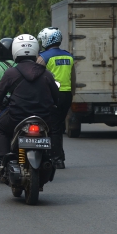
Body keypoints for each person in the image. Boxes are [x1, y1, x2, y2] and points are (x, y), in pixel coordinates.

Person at [0, 34, 59, 161]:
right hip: (43, 118)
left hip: (16, 117)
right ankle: (53, 156)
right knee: (53, 129)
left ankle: (3, 160)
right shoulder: (46, 74)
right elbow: (57, 98)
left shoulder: (11, 73)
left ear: (15, 51)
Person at [37, 27, 75, 169]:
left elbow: (33, 75)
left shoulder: (43, 57)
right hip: (66, 95)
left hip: (50, 95)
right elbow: (73, 79)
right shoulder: (68, 56)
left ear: (48, 39)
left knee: (51, 127)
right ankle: (59, 155)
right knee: (58, 126)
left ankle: (56, 158)